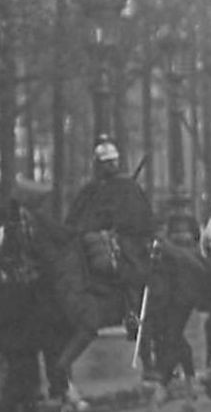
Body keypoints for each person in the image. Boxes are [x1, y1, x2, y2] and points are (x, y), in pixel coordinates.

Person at [65, 135, 155, 336]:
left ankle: (132, 313)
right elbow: (76, 218)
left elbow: (141, 219)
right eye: (104, 163)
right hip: (92, 238)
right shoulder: (90, 189)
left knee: (128, 266)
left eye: (110, 162)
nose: (108, 166)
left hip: (124, 239)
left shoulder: (127, 187)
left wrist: (115, 227)